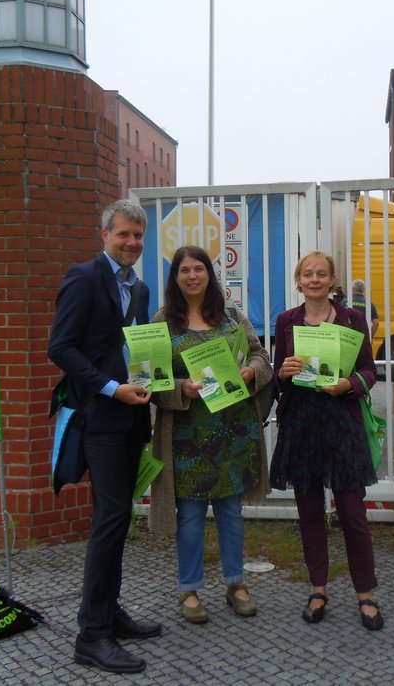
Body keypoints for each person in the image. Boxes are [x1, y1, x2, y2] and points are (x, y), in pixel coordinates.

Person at [48, 200, 160, 674]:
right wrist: (114, 388)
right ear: (105, 235)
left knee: (116, 517)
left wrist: (149, 382)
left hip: (132, 419)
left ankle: (109, 612)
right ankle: (91, 635)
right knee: (111, 519)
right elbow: (61, 347)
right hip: (100, 418)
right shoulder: (84, 277)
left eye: (138, 236)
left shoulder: (141, 287)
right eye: (124, 235)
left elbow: (134, 350)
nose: (132, 243)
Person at [149, 245, 272, 624]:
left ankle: (236, 583)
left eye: (198, 269)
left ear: (208, 273)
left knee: (231, 511)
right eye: (183, 270)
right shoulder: (163, 321)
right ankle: (189, 589)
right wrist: (180, 388)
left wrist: (252, 372)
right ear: (175, 277)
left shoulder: (231, 317)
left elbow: (259, 355)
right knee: (189, 514)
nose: (192, 276)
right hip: (186, 438)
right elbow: (149, 380)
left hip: (233, 433)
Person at [269, 251, 384, 631]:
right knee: (310, 514)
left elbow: (370, 369)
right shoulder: (286, 321)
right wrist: (282, 372)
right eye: (307, 273)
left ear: (333, 281)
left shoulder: (353, 319)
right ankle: (318, 589)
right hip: (301, 426)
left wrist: (350, 384)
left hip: (342, 423)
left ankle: (365, 593)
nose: (314, 279)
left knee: (353, 513)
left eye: (321, 274)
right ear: (298, 280)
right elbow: (277, 377)